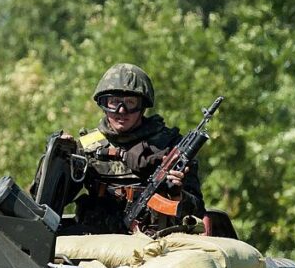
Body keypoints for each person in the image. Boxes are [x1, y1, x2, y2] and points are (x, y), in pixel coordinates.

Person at [56, 63, 205, 235]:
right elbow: (51, 202)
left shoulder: (171, 147)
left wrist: (178, 194)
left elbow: (198, 212)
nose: (122, 111)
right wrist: (57, 158)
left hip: (156, 239)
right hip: (97, 237)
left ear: (142, 106)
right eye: (114, 102)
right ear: (103, 104)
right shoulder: (87, 146)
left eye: (130, 103)